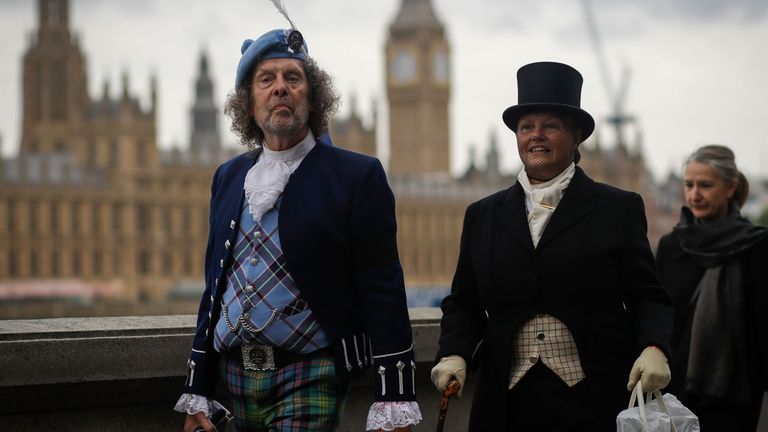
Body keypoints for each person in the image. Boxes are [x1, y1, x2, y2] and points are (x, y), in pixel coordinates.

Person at [174, 24, 421, 432]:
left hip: (312, 372)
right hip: (236, 377)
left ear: (314, 97)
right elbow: (215, 288)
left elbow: (383, 288)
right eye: (265, 80)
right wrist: (197, 387)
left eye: (293, 78)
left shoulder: (356, 176)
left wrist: (395, 396)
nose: (280, 89)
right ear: (249, 104)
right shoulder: (229, 177)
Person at [430, 61, 674, 430]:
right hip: (506, 405)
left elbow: (648, 296)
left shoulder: (617, 208)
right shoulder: (482, 215)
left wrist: (655, 347)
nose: (536, 136)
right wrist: (453, 352)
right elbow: (464, 302)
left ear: (576, 137)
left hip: (595, 401)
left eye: (551, 126)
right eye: (526, 126)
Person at [656, 145, 768, 431]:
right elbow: (658, 312)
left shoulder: (757, 245)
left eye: (705, 185)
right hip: (674, 391)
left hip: (735, 396)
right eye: (688, 185)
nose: (695, 194)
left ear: (730, 188)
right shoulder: (672, 245)